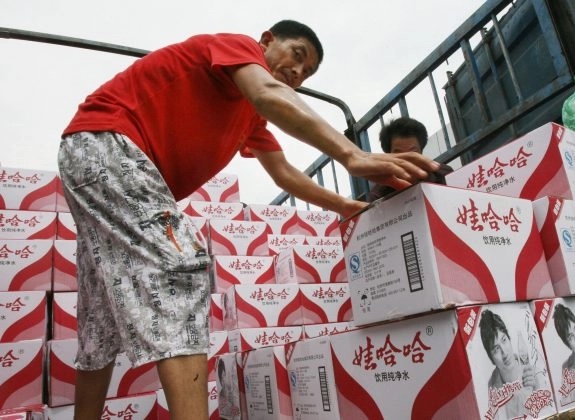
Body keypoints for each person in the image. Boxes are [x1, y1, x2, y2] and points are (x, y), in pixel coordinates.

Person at [58, 20, 439, 420]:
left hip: (93, 158)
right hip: (105, 143)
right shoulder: (236, 47)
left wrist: (347, 207)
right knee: (181, 269)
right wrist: (351, 155)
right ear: (266, 42)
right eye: (297, 56)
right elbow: (268, 91)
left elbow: (285, 174)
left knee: (100, 317)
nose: (298, 74)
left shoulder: (251, 118)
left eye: (307, 73)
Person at [365, 116, 453, 202]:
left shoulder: (445, 175)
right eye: (399, 155)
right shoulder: (378, 196)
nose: (407, 160)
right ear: (389, 155)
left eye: (413, 153)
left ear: (421, 151)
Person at [479, 309, 545, 420]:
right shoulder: (492, 387)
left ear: (509, 338)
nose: (504, 353)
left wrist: (536, 390)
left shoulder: (532, 370)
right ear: (491, 358)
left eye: (504, 340)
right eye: (496, 349)